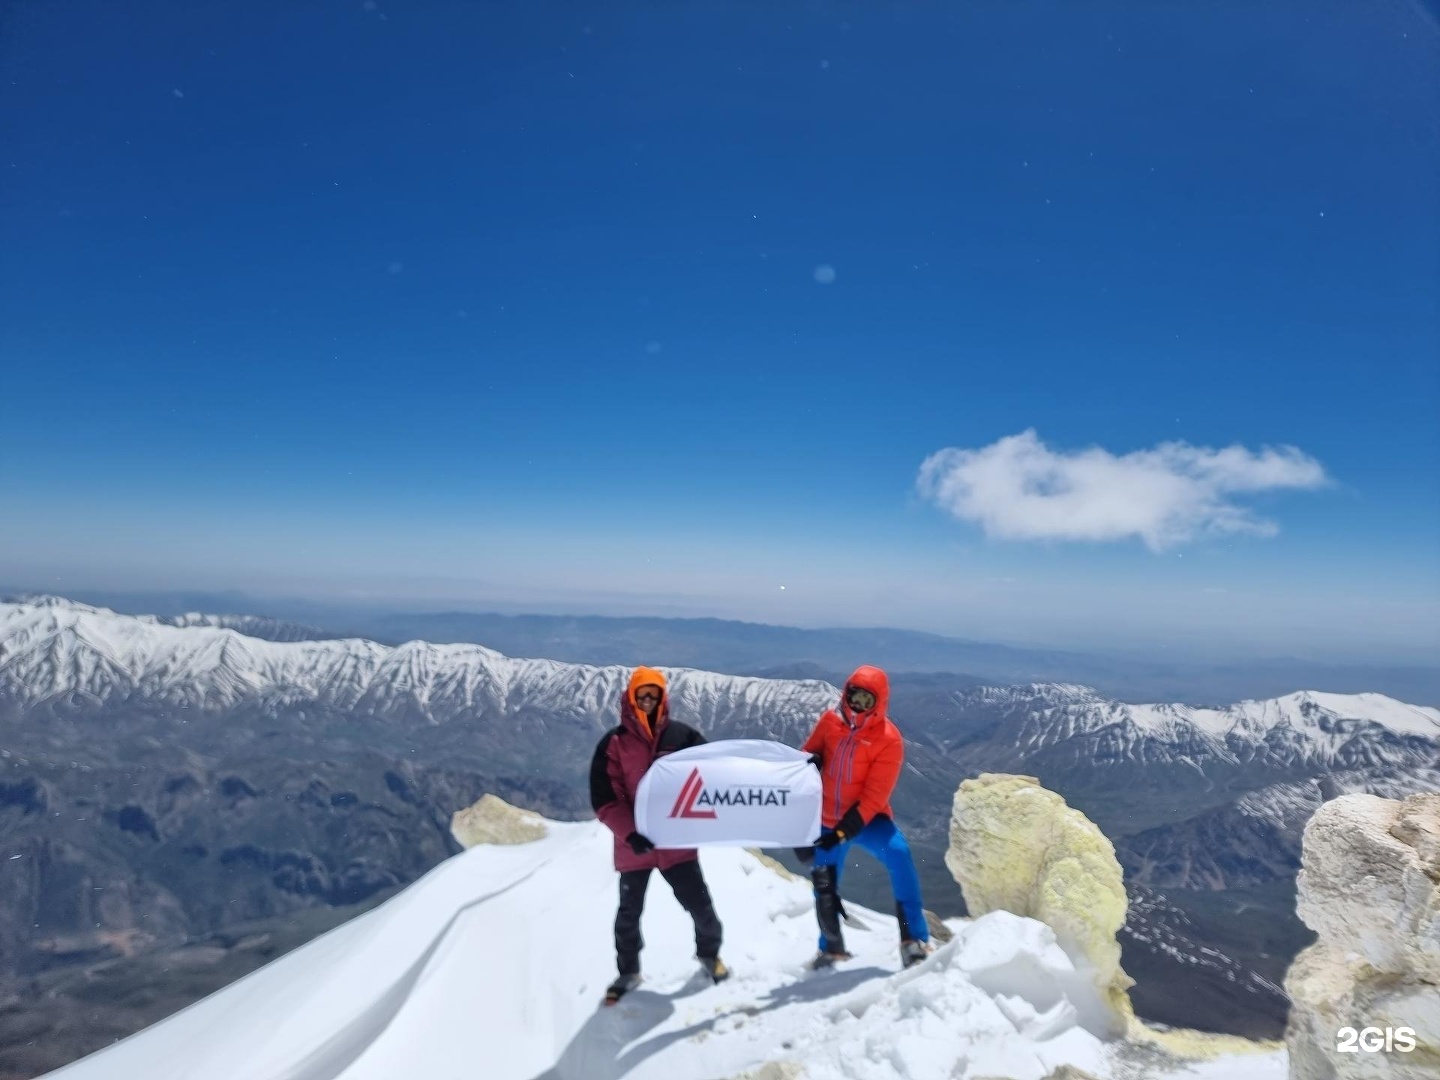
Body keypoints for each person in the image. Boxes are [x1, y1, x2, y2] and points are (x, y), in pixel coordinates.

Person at [589, 666, 730, 1003]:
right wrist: (631, 834)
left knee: (700, 906)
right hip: (634, 847)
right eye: (642, 694)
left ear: (663, 697)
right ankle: (627, 972)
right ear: (631, 697)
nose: (648, 700)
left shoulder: (683, 737)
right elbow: (605, 798)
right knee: (628, 914)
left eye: (654, 694)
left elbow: (717, 773)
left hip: (676, 843)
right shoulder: (614, 743)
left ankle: (710, 955)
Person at [798, 664, 933, 969]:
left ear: (880, 703)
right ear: (845, 694)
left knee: (899, 854)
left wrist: (842, 833)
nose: (857, 705)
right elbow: (807, 760)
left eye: (866, 700)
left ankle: (914, 939)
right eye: (854, 697)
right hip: (826, 817)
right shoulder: (829, 722)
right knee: (824, 883)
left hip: (866, 820)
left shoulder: (889, 740)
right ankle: (830, 948)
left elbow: (874, 797)